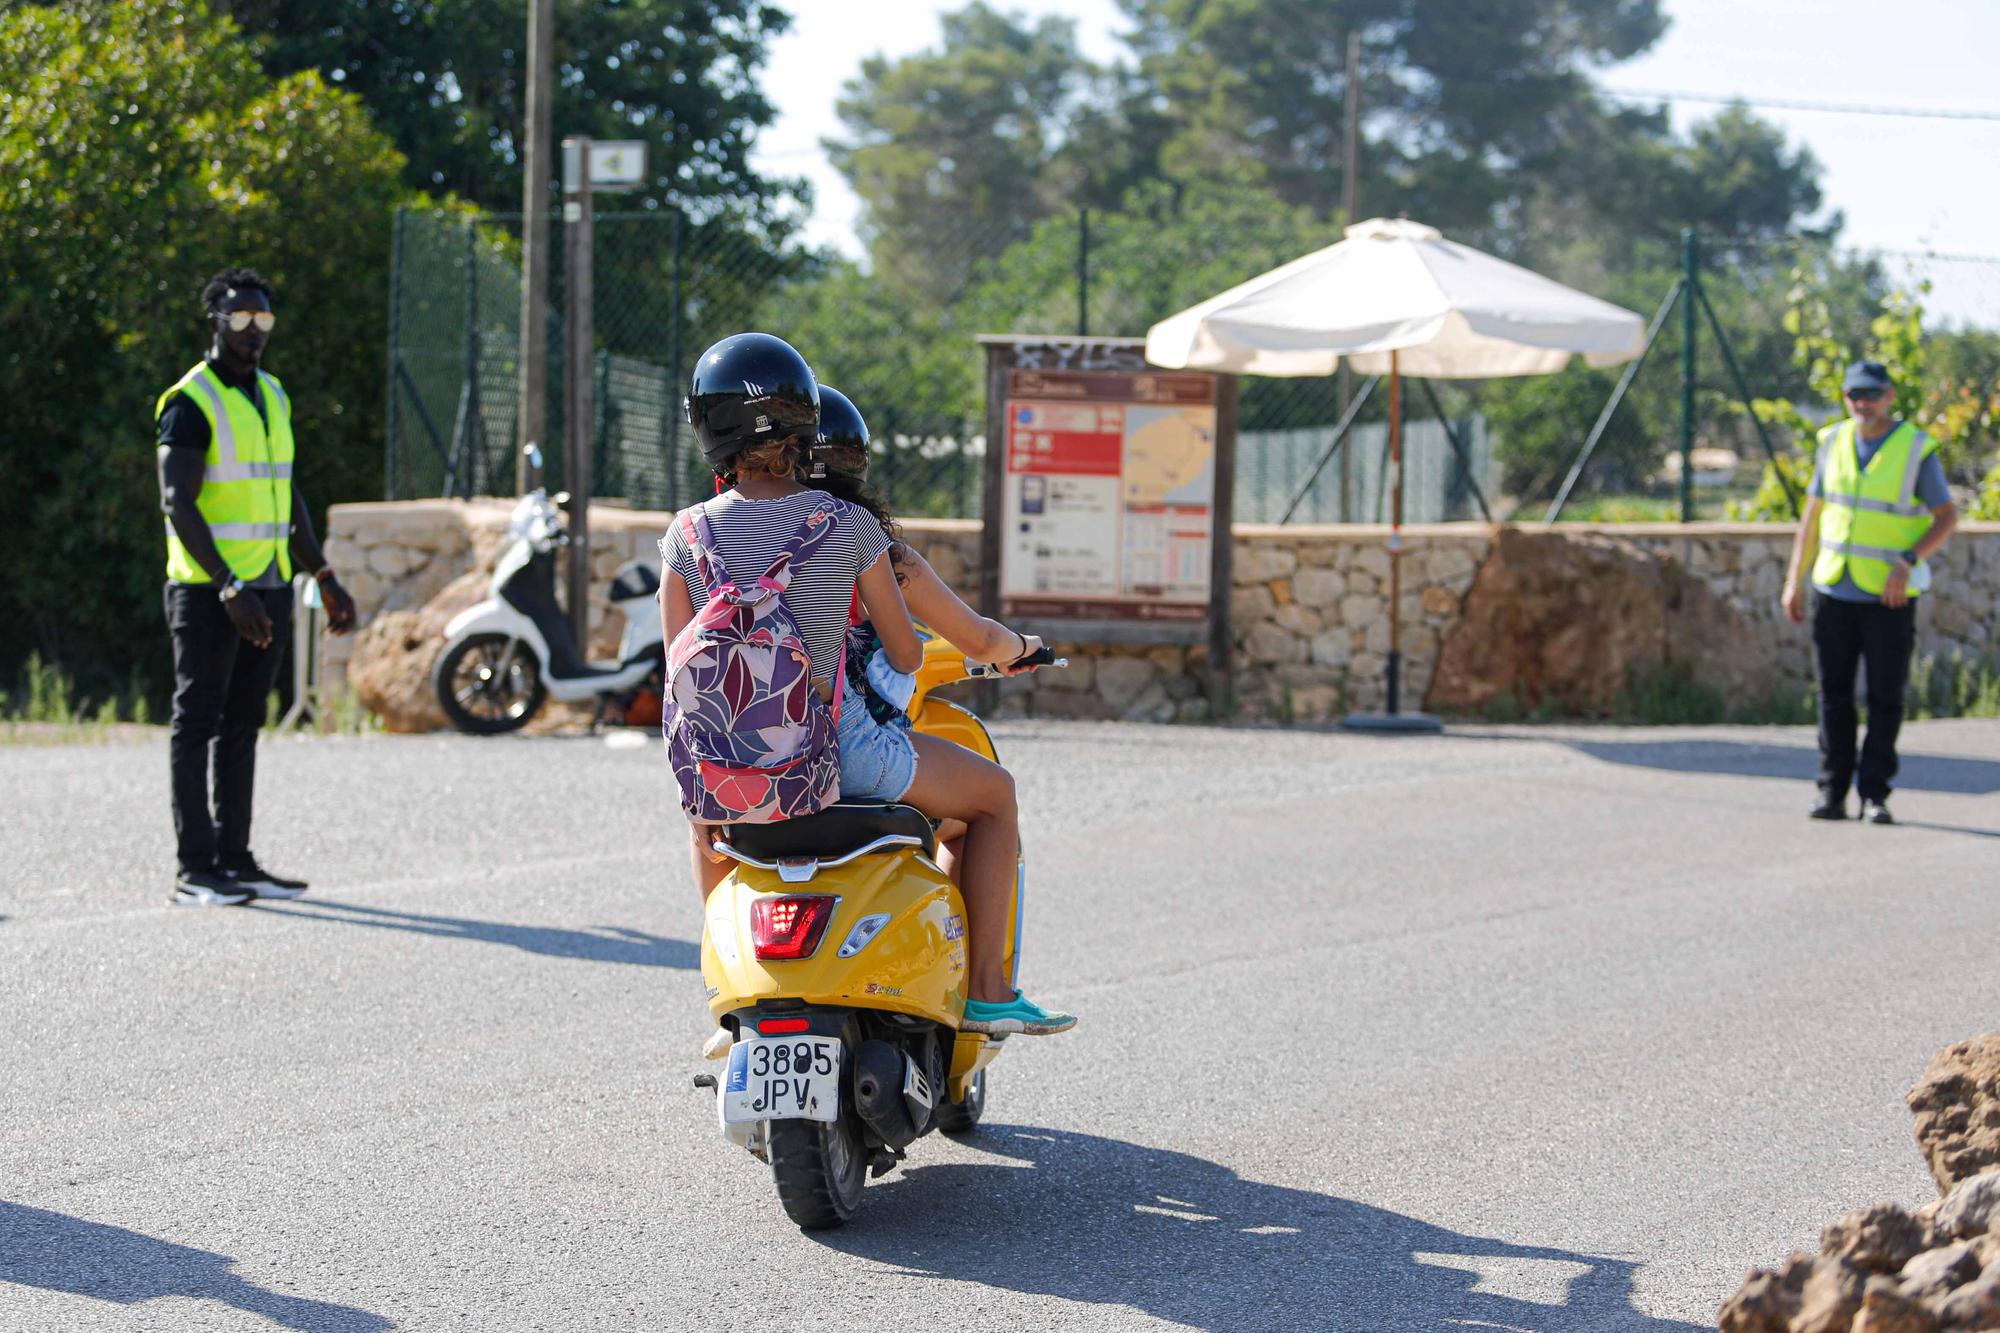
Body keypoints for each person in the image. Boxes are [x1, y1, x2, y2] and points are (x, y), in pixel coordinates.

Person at [808, 385, 1075, 1037]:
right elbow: (976, 641)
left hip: (761, 757)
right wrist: (1021, 648)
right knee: (994, 797)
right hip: (849, 753)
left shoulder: (737, 536)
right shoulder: (876, 550)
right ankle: (986, 990)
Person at [156, 267, 357, 906]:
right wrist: (226, 585)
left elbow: (284, 492)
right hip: (210, 592)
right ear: (214, 320)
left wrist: (322, 573)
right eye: (240, 318)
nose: (253, 331)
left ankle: (236, 859)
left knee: (244, 723)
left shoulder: (272, 393)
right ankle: (195, 869)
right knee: (197, 722)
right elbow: (176, 501)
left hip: (267, 587)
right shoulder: (189, 402)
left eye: (262, 319)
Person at [1781, 359, 1958, 824]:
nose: (1862, 404)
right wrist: (1793, 579)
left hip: (1888, 596)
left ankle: (1875, 794)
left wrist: (1908, 560)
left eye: (1871, 395)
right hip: (1833, 586)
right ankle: (1832, 792)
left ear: (1889, 396)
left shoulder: (1915, 449)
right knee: (1833, 696)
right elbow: (1813, 516)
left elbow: (1946, 517)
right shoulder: (1831, 441)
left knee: (1885, 696)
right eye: (1853, 395)